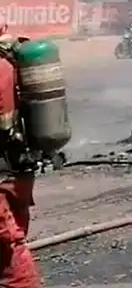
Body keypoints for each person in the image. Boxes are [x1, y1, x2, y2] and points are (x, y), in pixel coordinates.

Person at [0, 30, 40, 288]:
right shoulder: (8, 63)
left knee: (8, 251)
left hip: (4, 175)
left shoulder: (1, 67)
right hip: (16, 172)